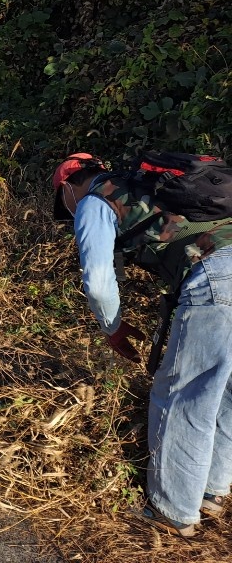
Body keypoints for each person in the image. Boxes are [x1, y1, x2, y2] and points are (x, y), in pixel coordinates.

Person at [52, 152, 232, 537]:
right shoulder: (147, 186)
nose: (67, 213)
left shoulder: (93, 202)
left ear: (67, 187)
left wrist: (113, 328)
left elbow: (99, 282)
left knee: (183, 393)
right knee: (225, 390)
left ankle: (173, 509)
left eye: (62, 203)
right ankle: (212, 491)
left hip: (217, 275)